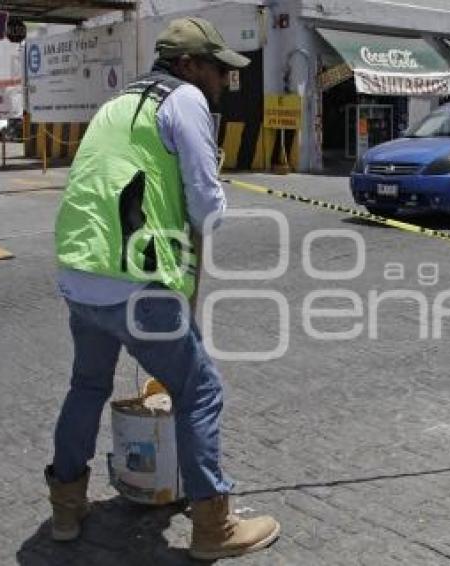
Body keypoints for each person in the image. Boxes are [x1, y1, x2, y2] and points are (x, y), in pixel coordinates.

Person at [47, 17, 280, 560]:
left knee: (87, 385)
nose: (223, 80)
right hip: (138, 282)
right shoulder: (184, 100)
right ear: (188, 65)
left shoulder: (115, 104)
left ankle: (66, 504)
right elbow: (206, 206)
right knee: (198, 389)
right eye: (218, 69)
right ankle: (213, 524)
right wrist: (215, 199)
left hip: (80, 274)